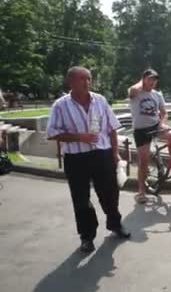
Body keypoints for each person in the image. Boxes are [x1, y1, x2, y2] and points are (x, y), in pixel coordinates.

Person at [47, 66, 130, 254]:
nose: (87, 83)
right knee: (81, 199)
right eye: (82, 79)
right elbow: (52, 133)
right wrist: (79, 137)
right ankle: (87, 236)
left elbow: (112, 128)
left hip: (102, 154)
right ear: (71, 82)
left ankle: (115, 225)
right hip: (76, 158)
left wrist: (115, 153)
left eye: (89, 79)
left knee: (110, 193)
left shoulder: (100, 101)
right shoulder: (60, 105)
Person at [128, 68, 167, 203]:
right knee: (143, 161)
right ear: (143, 80)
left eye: (155, 80)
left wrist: (162, 123)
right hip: (141, 130)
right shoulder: (135, 93)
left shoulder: (157, 95)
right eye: (150, 79)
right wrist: (143, 81)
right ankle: (141, 192)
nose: (153, 82)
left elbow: (163, 112)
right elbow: (133, 90)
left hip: (155, 126)